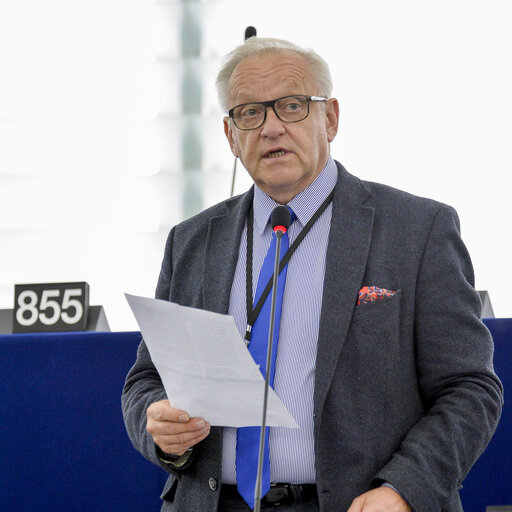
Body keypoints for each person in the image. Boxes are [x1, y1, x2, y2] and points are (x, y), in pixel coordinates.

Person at [122, 37, 503, 512]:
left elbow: (469, 388)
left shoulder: (418, 230)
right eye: (249, 113)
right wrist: (158, 427)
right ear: (229, 135)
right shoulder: (192, 240)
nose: (271, 127)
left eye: (292, 106)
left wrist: (403, 489)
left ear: (331, 118)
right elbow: (147, 381)